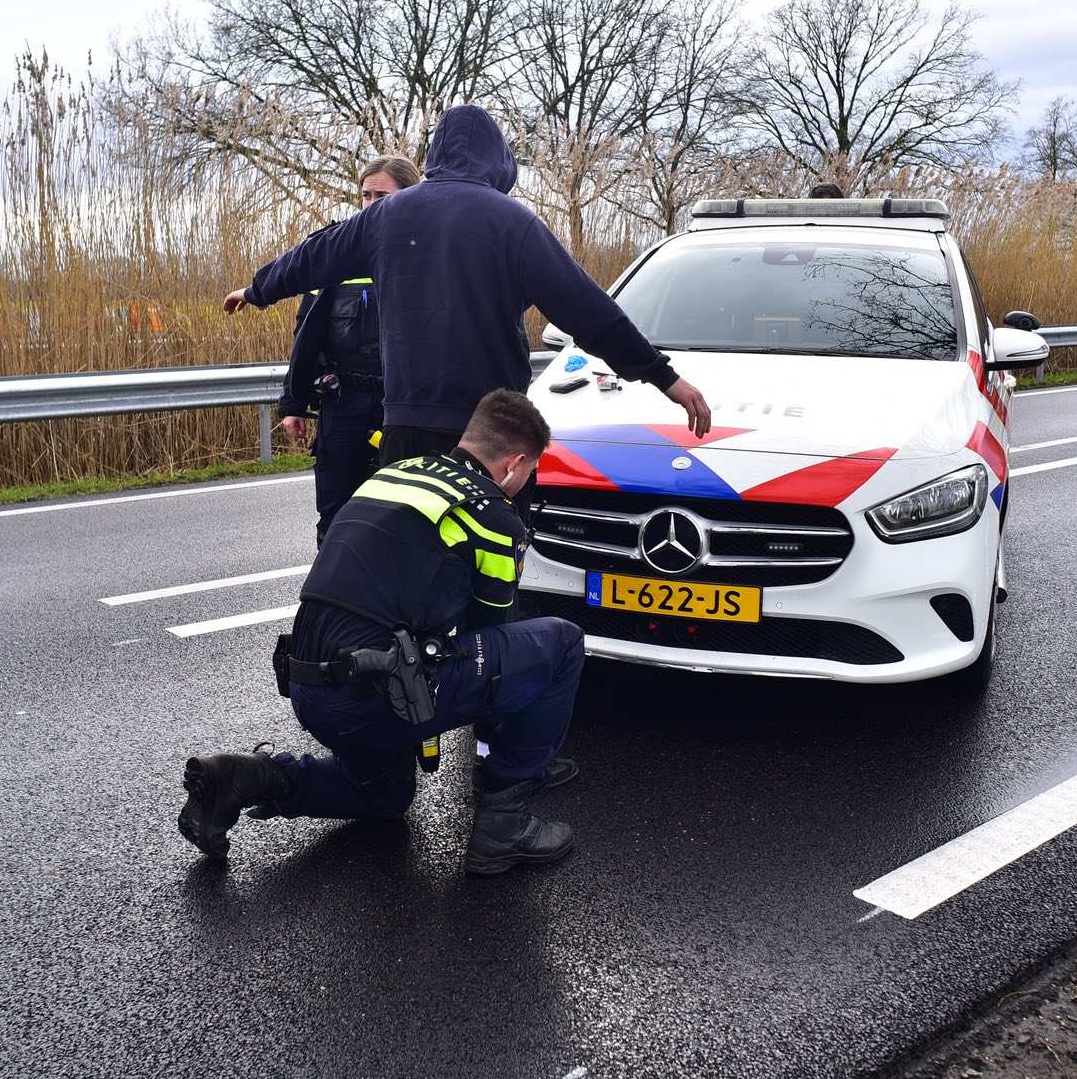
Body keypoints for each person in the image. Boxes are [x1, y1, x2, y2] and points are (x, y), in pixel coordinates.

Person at [178, 390, 583, 876]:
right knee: (559, 644)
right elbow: (491, 643)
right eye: (530, 470)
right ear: (516, 464)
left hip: (310, 687)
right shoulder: (493, 515)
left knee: (386, 795)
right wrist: (514, 753)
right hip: (372, 694)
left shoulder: (396, 473)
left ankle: (246, 778)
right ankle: (504, 826)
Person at [224, 105, 711, 463]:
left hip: (406, 419)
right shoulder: (513, 222)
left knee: (411, 554)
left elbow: (313, 257)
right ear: (497, 160)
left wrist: (257, 289)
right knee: (489, 556)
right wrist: (663, 376)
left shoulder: (386, 216)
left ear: (435, 152)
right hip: (491, 428)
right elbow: (588, 311)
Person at [279, 156, 421, 542]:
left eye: (382, 196)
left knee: (401, 522)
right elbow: (307, 332)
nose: (371, 204)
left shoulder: (428, 254)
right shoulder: (335, 250)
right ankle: (331, 601)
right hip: (344, 405)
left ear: (409, 197)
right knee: (337, 518)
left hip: (404, 409)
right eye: (366, 195)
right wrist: (294, 402)